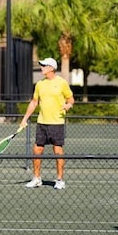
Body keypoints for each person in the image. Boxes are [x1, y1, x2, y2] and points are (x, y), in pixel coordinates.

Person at [20, 57, 75, 190]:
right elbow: (34, 102)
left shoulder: (62, 83)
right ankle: (37, 178)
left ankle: (60, 179)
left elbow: (71, 99)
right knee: (36, 151)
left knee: (58, 151)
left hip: (57, 123)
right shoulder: (40, 84)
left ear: (51, 68)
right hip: (42, 123)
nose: (41, 67)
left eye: (44, 65)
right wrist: (25, 118)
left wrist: (68, 106)